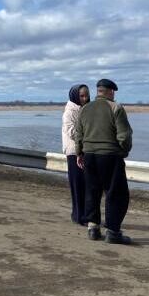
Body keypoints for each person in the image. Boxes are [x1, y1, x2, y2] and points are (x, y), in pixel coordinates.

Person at [75, 79, 133, 244]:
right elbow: (125, 135)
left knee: (92, 191)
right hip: (109, 156)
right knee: (116, 193)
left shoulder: (85, 108)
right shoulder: (115, 107)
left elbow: (78, 135)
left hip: (89, 156)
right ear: (110, 92)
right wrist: (123, 151)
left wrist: (80, 153)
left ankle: (93, 228)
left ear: (98, 91)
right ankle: (113, 232)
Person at [62, 84, 90, 225]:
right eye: (82, 96)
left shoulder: (87, 109)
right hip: (74, 152)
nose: (85, 98)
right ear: (75, 96)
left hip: (85, 151)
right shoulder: (70, 111)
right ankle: (79, 216)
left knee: (86, 185)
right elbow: (71, 131)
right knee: (77, 185)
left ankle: (84, 215)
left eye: (86, 95)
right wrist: (89, 136)